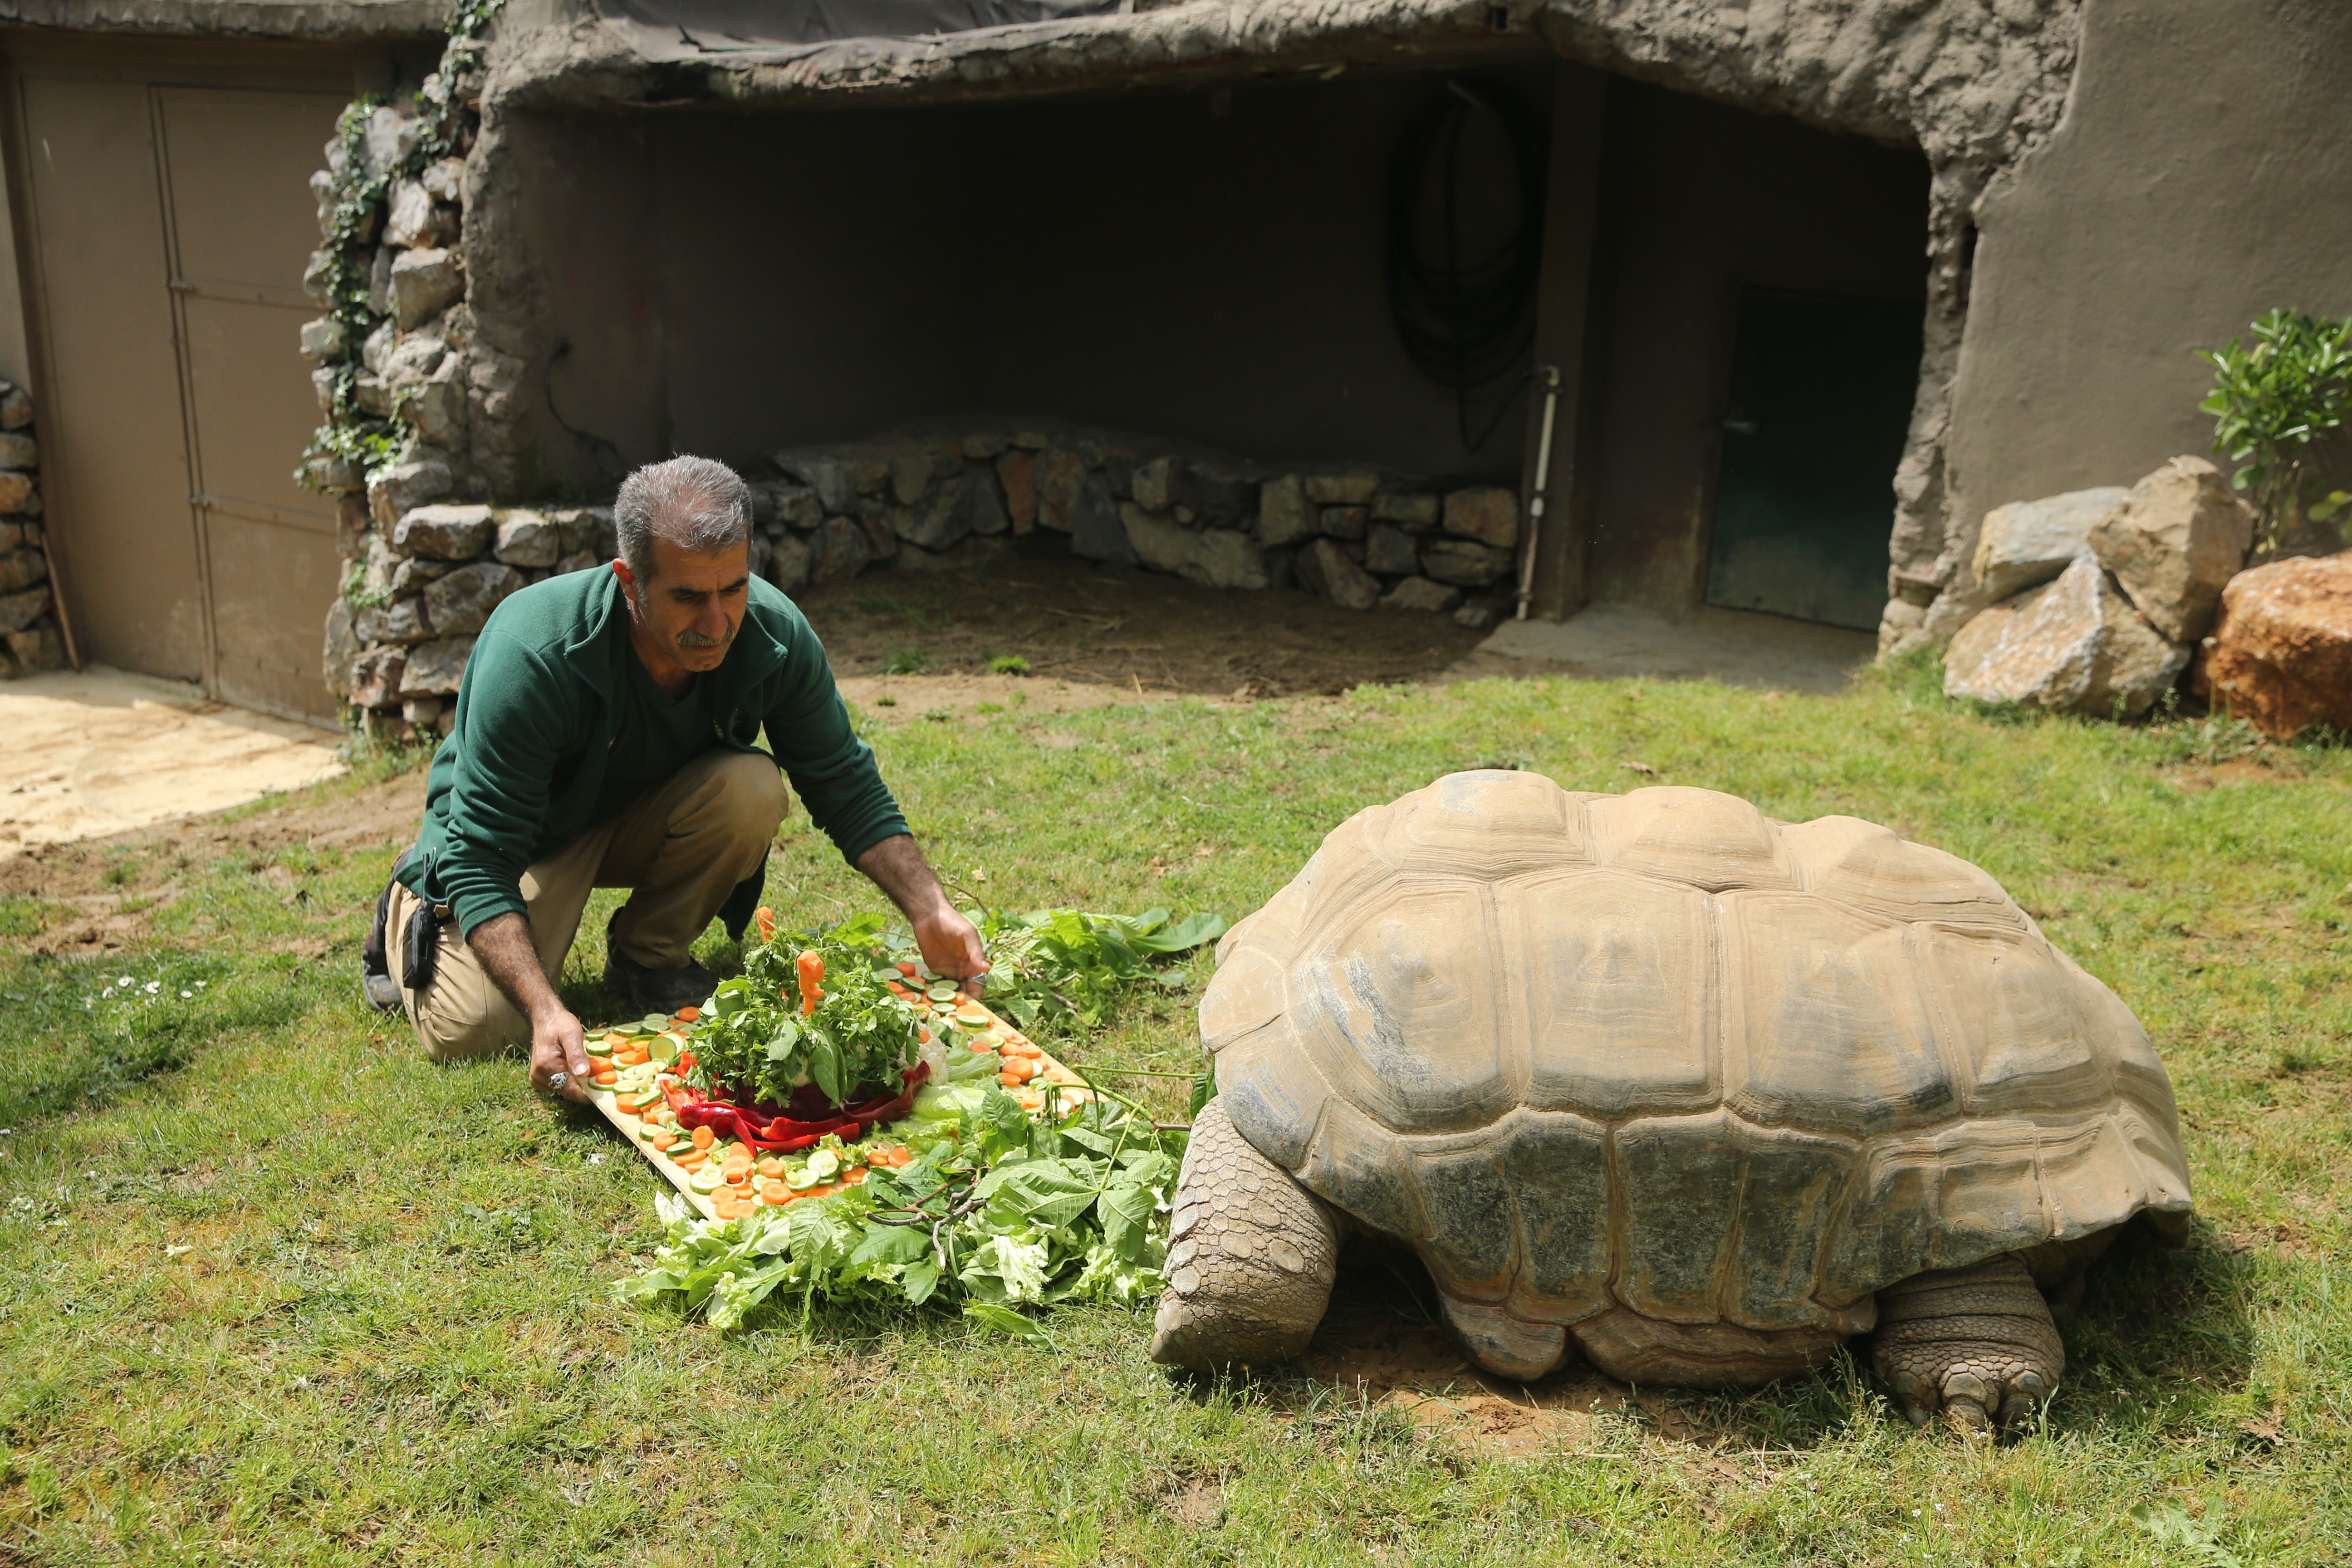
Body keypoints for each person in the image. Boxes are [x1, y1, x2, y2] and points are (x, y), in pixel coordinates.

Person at [362, 454, 985, 1103]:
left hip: (640, 809)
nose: (717, 623)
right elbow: (485, 855)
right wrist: (546, 1010)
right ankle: (407, 909)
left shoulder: (772, 631)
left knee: (751, 787)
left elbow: (843, 781)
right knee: (477, 1029)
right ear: (629, 581)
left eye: (733, 589)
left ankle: (647, 959)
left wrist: (929, 908)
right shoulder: (534, 651)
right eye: (688, 597)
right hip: (524, 836)